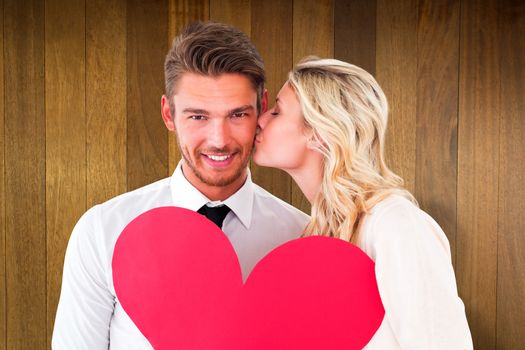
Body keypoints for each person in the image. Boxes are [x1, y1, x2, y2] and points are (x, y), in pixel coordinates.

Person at [52, 22, 309, 349]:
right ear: (168, 114)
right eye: (198, 117)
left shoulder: (300, 238)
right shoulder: (103, 231)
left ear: (261, 107)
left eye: (237, 115)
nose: (219, 140)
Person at [253, 57, 473, 349]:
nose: (261, 119)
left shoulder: (396, 225)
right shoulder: (317, 233)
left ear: (319, 134)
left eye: (277, 112)